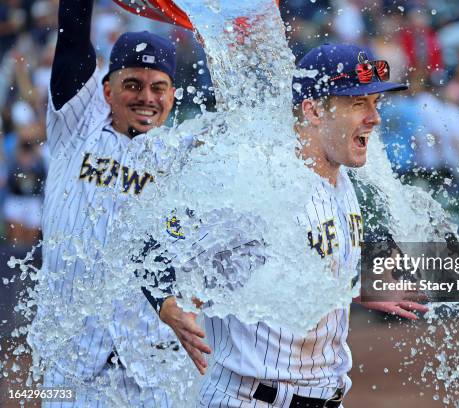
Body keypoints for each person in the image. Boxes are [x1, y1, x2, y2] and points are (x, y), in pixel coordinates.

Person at [158, 44, 429, 408]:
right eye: (357, 104)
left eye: (376, 103)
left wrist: (357, 286)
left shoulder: (343, 182)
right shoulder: (255, 184)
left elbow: (296, 266)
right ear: (314, 110)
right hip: (250, 399)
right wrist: (167, 305)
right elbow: (153, 243)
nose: (374, 117)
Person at [27, 0, 188, 406]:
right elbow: (74, 25)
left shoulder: (186, 159)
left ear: (172, 96)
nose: (145, 97)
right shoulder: (76, 122)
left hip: (156, 371)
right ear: (106, 90)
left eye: (158, 86)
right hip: (73, 368)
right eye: (132, 84)